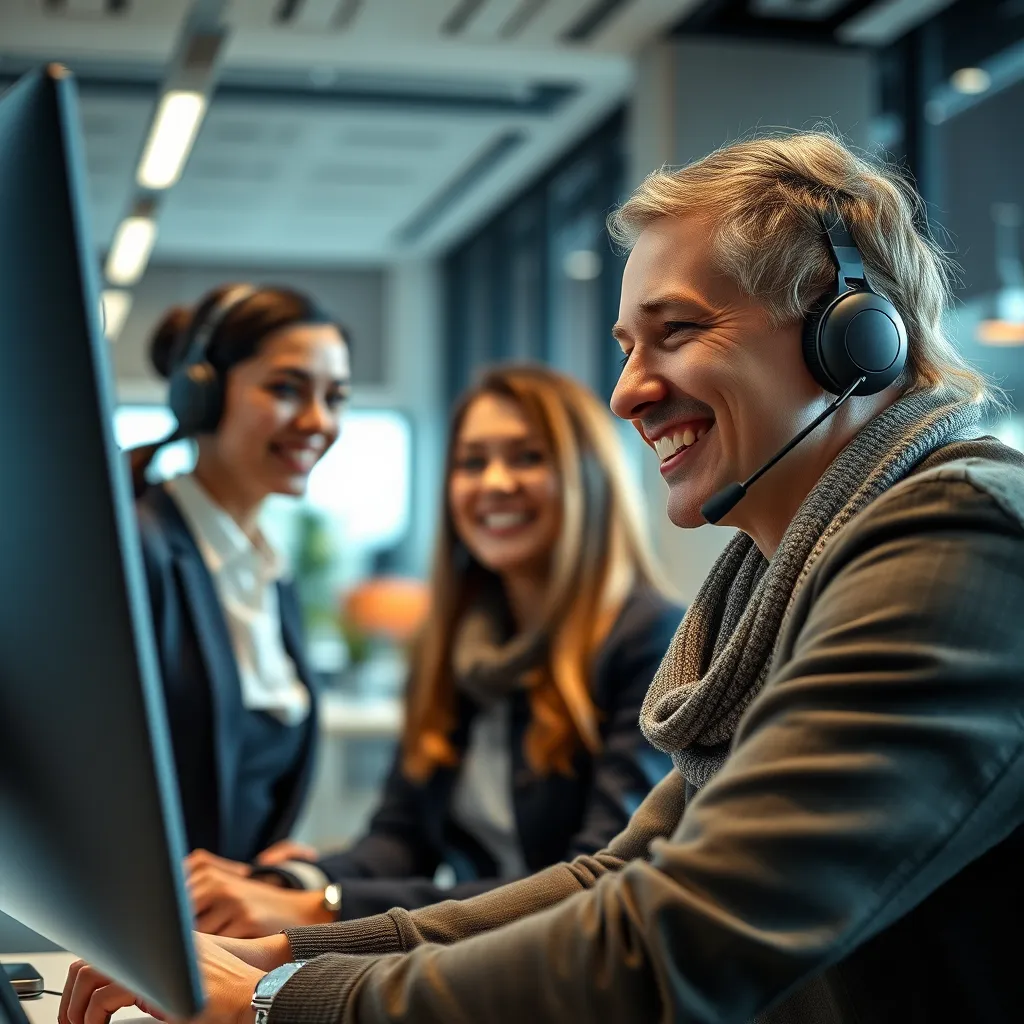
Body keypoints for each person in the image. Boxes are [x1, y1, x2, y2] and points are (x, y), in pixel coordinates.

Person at [62, 131, 1024, 1024]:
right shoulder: (774, 594)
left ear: (854, 338)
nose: (627, 392)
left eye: (676, 331)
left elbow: (679, 934)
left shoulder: (957, 536)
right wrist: (289, 947)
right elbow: (612, 876)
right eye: (625, 349)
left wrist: (284, 999)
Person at [182, 364, 682, 935]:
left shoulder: (652, 639)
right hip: (477, 963)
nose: (495, 482)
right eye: (472, 462)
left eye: (527, 457)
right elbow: (400, 842)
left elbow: (595, 880)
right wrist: (285, 882)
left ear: (591, 478)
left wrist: (324, 906)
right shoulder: (460, 647)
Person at [130, 284, 351, 864]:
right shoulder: (138, 552)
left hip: (224, 935)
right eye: (286, 389)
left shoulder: (271, 571)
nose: (317, 421)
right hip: (130, 926)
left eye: (336, 397)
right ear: (198, 396)